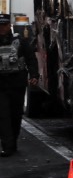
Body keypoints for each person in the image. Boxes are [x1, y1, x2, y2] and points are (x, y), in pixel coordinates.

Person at [0, 14, 38, 157]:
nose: (2, 28)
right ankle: (7, 146)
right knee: (3, 116)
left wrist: (34, 75)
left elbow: (30, 58)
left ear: (8, 25)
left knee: (15, 115)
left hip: (17, 83)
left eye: (4, 25)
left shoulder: (20, 41)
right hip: (1, 84)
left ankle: (12, 143)